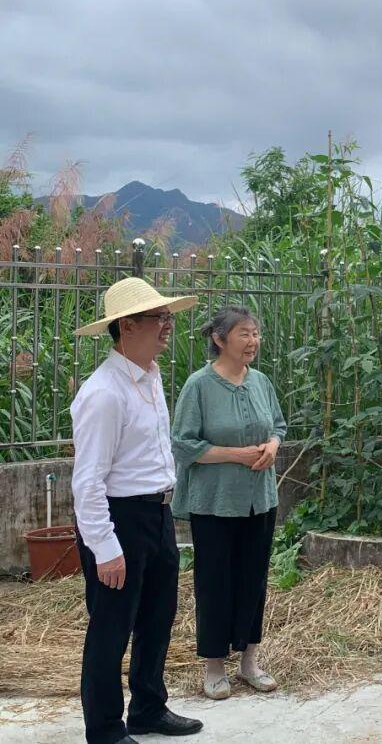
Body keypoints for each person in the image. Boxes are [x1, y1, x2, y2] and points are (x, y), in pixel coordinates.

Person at [70, 277, 204, 744]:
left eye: (168, 317)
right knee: (112, 627)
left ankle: (148, 708)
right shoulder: (104, 393)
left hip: (157, 513)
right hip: (119, 519)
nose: (168, 325)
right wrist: (105, 547)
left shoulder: (149, 376)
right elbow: (88, 481)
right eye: (157, 318)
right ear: (126, 326)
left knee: (157, 617)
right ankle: (105, 728)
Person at [170, 306, 287, 700]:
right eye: (244, 334)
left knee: (254, 580)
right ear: (219, 340)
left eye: (255, 333)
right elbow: (183, 444)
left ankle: (249, 662)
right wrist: (236, 455)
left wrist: (273, 446)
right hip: (214, 503)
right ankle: (215, 666)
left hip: (260, 500)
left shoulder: (261, 382)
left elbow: (278, 425)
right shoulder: (199, 386)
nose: (253, 341)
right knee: (215, 582)